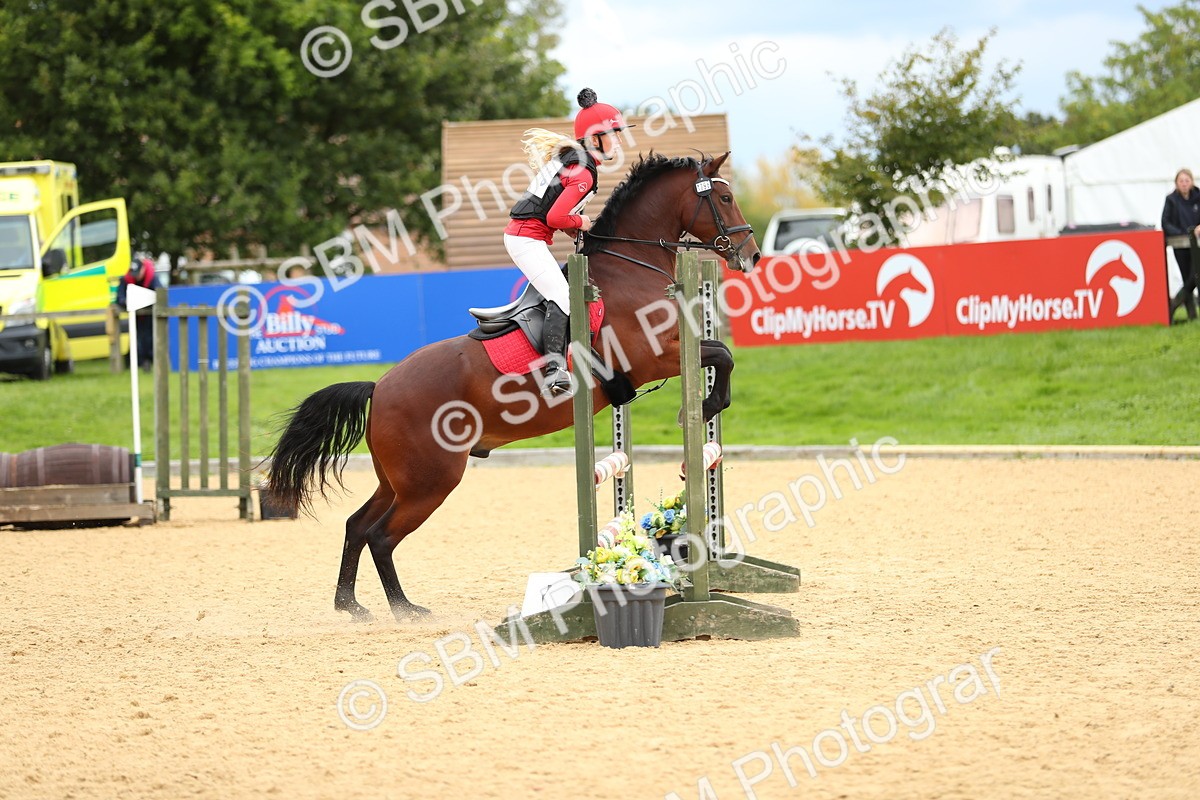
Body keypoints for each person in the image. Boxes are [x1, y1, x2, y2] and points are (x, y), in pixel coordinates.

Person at [504, 88, 633, 397]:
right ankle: (554, 369)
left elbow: (553, 212)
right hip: (525, 241)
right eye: (612, 134)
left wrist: (578, 230)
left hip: (528, 238)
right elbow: (555, 217)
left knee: (564, 293)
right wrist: (582, 223)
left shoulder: (574, 161)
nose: (617, 140)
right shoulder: (583, 173)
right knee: (564, 296)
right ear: (595, 138)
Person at [1161, 167, 1200, 322]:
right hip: (1180, 244)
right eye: (1181, 181)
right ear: (1176, 183)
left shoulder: (1198, 196)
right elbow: (1165, 222)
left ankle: (1174, 305)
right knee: (1187, 278)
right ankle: (1192, 316)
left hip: (1197, 244)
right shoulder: (1171, 199)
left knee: (1194, 276)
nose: (1184, 184)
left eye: (1186, 180)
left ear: (1191, 181)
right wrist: (1181, 232)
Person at [117, 256, 163, 370]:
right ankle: (138, 362)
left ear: (143, 269)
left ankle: (150, 360)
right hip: (135, 316)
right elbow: (120, 298)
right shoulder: (126, 279)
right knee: (137, 338)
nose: (136, 276)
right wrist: (126, 302)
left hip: (149, 315)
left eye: (138, 273)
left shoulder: (152, 277)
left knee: (149, 337)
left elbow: (160, 295)